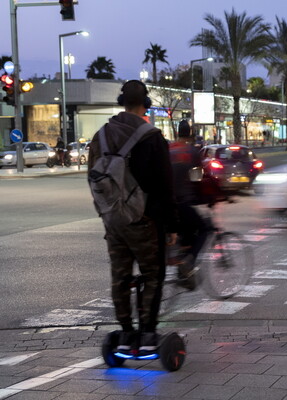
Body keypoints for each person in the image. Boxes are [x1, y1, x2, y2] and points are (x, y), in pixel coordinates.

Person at [88, 80, 178, 355]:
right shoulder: (151, 137)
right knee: (153, 274)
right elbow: (164, 186)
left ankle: (126, 333)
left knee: (120, 276)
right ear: (146, 104)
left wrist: (107, 212)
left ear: (121, 102)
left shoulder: (100, 136)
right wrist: (171, 226)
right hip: (144, 221)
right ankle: (148, 333)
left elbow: (93, 177)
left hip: (113, 221)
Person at [168, 119, 211, 289]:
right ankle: (188, 260)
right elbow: (198, 179)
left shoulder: (168, 149)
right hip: (183, 203)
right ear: (191, 134)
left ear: (177, 132)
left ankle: (182, 269)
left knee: (185, 232)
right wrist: (205, 199)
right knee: (203, 229)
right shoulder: (192, 152)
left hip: (165, 204)